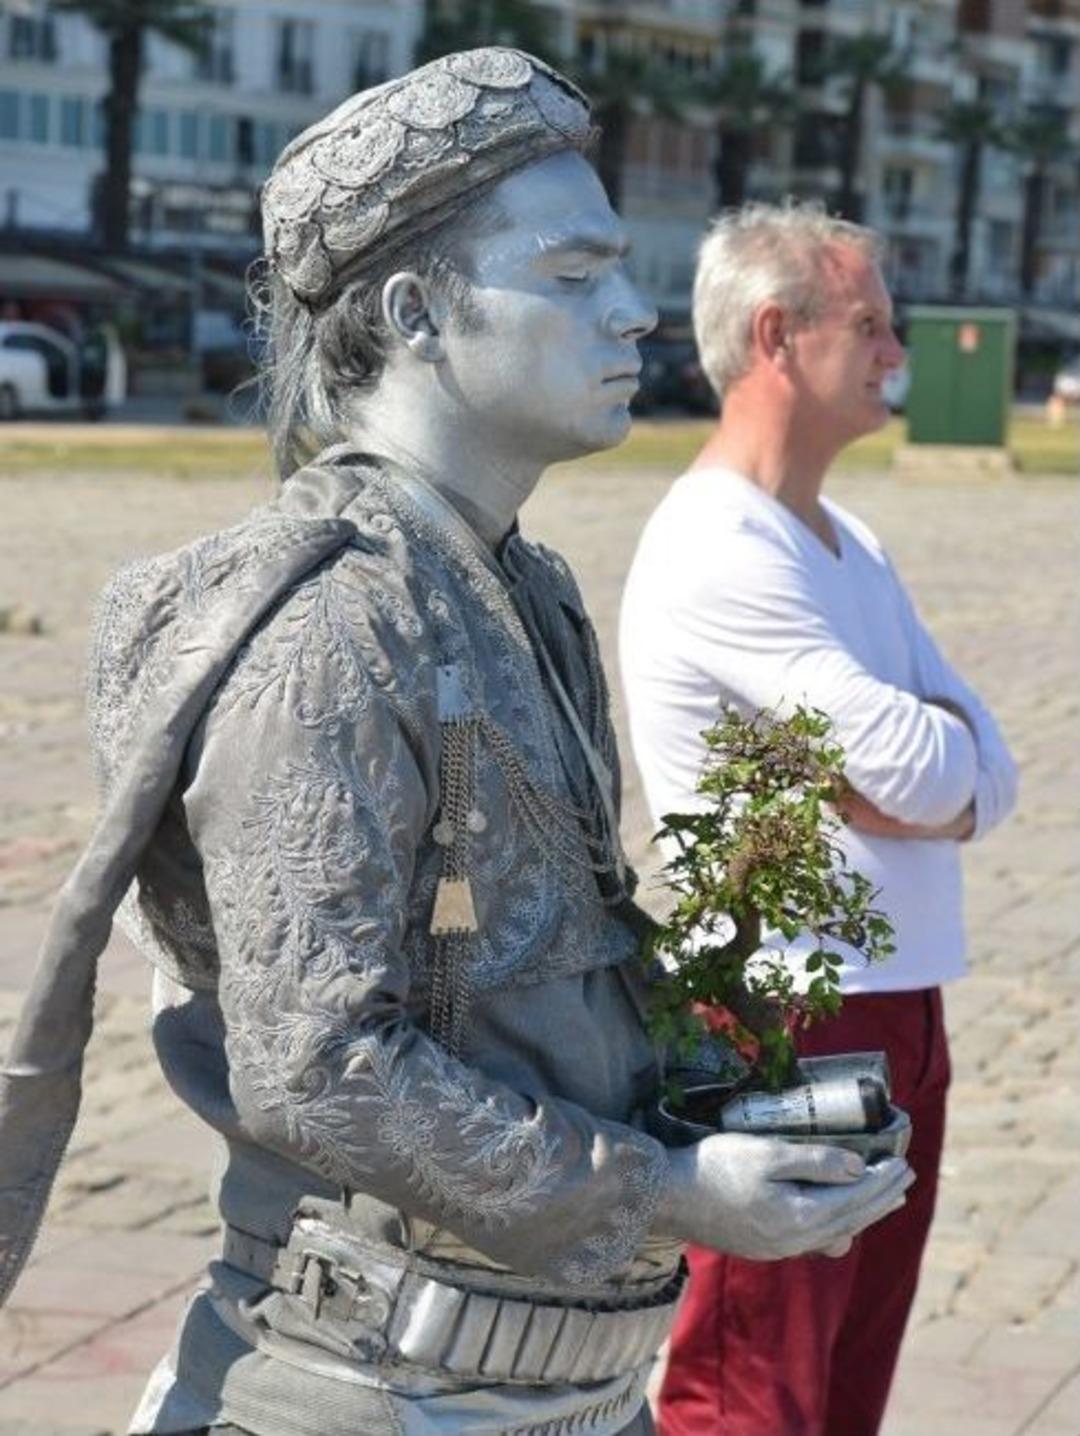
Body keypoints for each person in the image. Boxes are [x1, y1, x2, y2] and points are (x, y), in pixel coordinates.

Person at [0, 65, 914, 1436]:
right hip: (368, 1390)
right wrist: (669, 1195)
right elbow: (316, 1068)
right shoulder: (325, 630)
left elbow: (536, 955)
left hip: (569, 1386)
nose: (633, 310)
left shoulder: (521, 583)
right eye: (574, 272)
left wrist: (740, 1101)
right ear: (418, 314)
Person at [620, 202, 1019, 1436]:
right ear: (777, 335)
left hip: (900, 998)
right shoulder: (717, 544)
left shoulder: (853, 540)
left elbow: (983, 770)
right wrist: (914, 772)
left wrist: (907, 779)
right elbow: (912, 759)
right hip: (790, 1008)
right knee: (753, 1386)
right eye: (871, 323)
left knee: (846, 1378)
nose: (899, 349)